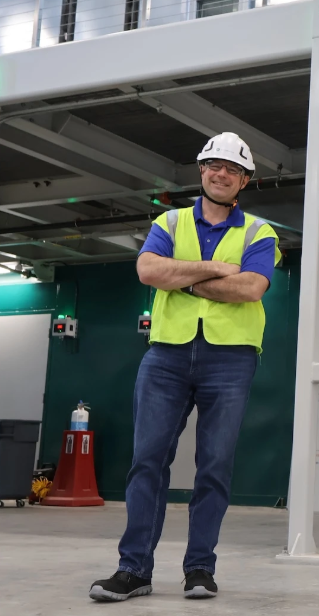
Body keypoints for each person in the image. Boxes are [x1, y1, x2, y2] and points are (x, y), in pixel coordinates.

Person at [90, 132, 281, 602]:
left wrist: (185, 279)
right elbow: (149, 271)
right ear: (201, 169)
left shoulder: (260, 232)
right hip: (167, 355)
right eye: (214, 165)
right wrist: (216, 269)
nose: (221, 174)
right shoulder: (170, 221)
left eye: (232, 169)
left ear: (245, 181)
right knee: (147, 462)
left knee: (214, 466)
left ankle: (200, 569)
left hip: (231, 357)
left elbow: (252, 288)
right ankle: (133, 570)